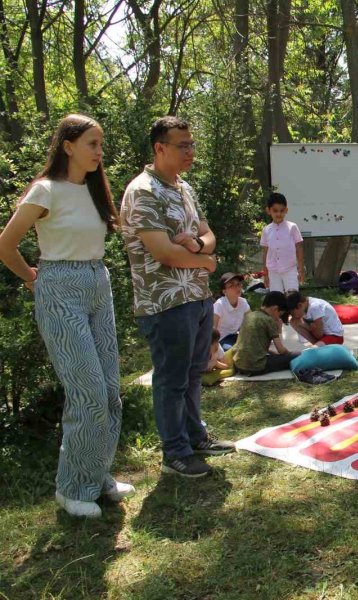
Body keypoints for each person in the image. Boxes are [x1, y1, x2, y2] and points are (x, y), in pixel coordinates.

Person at [0, 114, 131, 517]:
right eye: (92, 143)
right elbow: (5, 244)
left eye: (101, 144)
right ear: (68, 146)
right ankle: (72, 489)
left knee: (109, 390)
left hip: (97, 284)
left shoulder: (93, 191)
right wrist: (31, 278)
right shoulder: (46, 190)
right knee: (87, 392)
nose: (99, 152)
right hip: (60, 287)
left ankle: (97, 474)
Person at [120, 116, 234, 479]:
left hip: (196, 297)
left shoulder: (183, 187)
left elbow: (207, 233)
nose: (190, 151)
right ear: (159, 148)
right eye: (182, 145)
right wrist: (206, 260)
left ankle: (195, 438)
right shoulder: (142, 191)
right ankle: (175, 453)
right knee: (171, 379)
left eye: (191, 144)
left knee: (193, 373)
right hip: (164, 303)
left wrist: (200, 246)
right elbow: (164, 254)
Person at [231, 291, 299, 375]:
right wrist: (288, 355)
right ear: (275, 309)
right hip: (256, 367)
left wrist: (274, 354)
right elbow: (281, 350)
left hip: (238, 364)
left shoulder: (249, 315)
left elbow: (257, 345)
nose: (279, 318)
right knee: (297, 355)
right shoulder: (269, 320)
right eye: (279, 315)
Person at [261, 192, 304, 292]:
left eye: (282, 211)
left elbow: (299, 247)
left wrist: (301, 269)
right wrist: (265, 274)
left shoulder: (292, 227)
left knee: (293, 297)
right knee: (276, 298)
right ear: (268, 210)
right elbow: (265, 252)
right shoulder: (266, 230)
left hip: (290, 269)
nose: (278, 214)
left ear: (286, 210)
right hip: (273, 271)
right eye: (275, 211)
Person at [213, 272, 251, 350]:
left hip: (236, 337)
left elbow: (251, 323)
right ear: (224, 291)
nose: (237, 287)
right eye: (232, 285)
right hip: (221, 340)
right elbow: (212, 329)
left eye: (238, 284)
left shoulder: (243, 302)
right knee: (233, 350)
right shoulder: (219, 305)